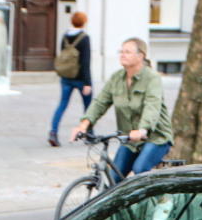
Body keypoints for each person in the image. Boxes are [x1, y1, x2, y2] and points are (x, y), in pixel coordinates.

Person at [70, 37, 173, 180]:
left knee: (140, 169)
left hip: (155, 137)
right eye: (121, 51)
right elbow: (100, 102)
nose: (122, 55)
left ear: (140, 56)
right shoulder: (117, 78)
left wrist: (143, 129)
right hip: (129, 140)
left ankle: (162, 201)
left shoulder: (152, 78)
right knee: (114, 177)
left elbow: (152, 106)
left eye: (128, 52)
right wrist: (83, 125)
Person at [49, 11, 93, 147]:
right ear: (84, 22)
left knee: (62, 104)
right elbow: (86, 62)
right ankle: (89, 134)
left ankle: (53, 132)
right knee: (89, 107)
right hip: (80, 78)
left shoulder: (65, 37)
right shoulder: (84, 38)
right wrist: (88, 83)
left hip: (66, 77)